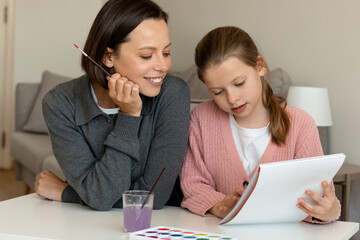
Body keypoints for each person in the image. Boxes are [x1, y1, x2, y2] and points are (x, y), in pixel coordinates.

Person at [34, 0, 190, 211]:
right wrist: (129, 116)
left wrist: (67, 192)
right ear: (108, 57)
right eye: (146, 55)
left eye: (166, 52)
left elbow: (153, 196)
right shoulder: (60, 104)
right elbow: (101, 195)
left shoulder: (173, 93)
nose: (163, 66)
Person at [180, 26, 340, 223]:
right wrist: (222, 206)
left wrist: (329, 212)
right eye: (218, 92)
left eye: (239, 83)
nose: (232, 98)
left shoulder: (300, 124)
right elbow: (194, 186)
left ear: (260, 67)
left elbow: (323, 197)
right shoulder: (201, 119)